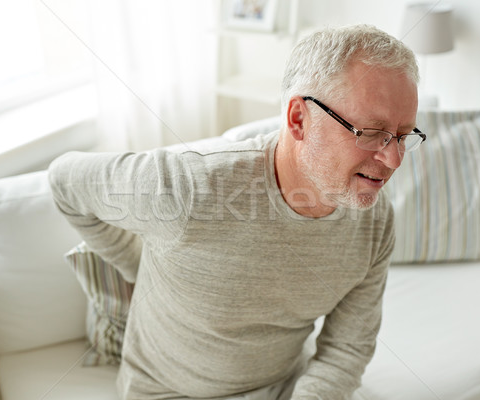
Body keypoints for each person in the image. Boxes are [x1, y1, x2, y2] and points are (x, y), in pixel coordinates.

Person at [49, 24, 421, 400]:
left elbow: (347, 348)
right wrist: (140, 265)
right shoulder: (189, 188)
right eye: (372, 132)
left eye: (404, 135)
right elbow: (65, 181)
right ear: (299, 120)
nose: (393, 159)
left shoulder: (375, 219)